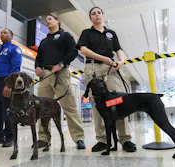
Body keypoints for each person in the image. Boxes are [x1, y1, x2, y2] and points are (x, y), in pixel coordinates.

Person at [76, 7, 137, 152]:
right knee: (98, 103)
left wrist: (121, 61)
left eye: (99, 13)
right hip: (93, 68)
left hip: (111, 69)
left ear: (103, 16)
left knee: (119, 101)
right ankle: (102, 140)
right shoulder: (87, 33)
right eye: (93, 13)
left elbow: (118, 49)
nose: (97, 15)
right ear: (90, 18)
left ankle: (125, 139)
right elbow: (83, 50)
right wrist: (103, 58)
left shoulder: (111, 33)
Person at [35, 14, 86, 149]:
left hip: (61, 73)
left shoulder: (65, 36)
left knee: (69, 106)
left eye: (50, 19)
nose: (47, 21)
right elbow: (38, 57)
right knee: (42, 108)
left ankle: (79, 138)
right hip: (45, 76)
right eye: (46, 20)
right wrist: (37, 67)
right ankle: (43, 138)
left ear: (58, 21)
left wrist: (62, 64)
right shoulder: (44, 41)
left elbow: (74, 51)